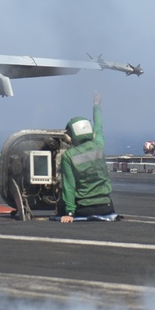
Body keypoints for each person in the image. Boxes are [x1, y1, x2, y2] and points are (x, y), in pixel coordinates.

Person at [59, 92, 116, 223]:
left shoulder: (68, 156)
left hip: (84, 208)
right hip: (106, 206)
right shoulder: (99, 145)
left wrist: (69, 212)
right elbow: (99, 126)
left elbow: (69, 186)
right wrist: (96, 105)